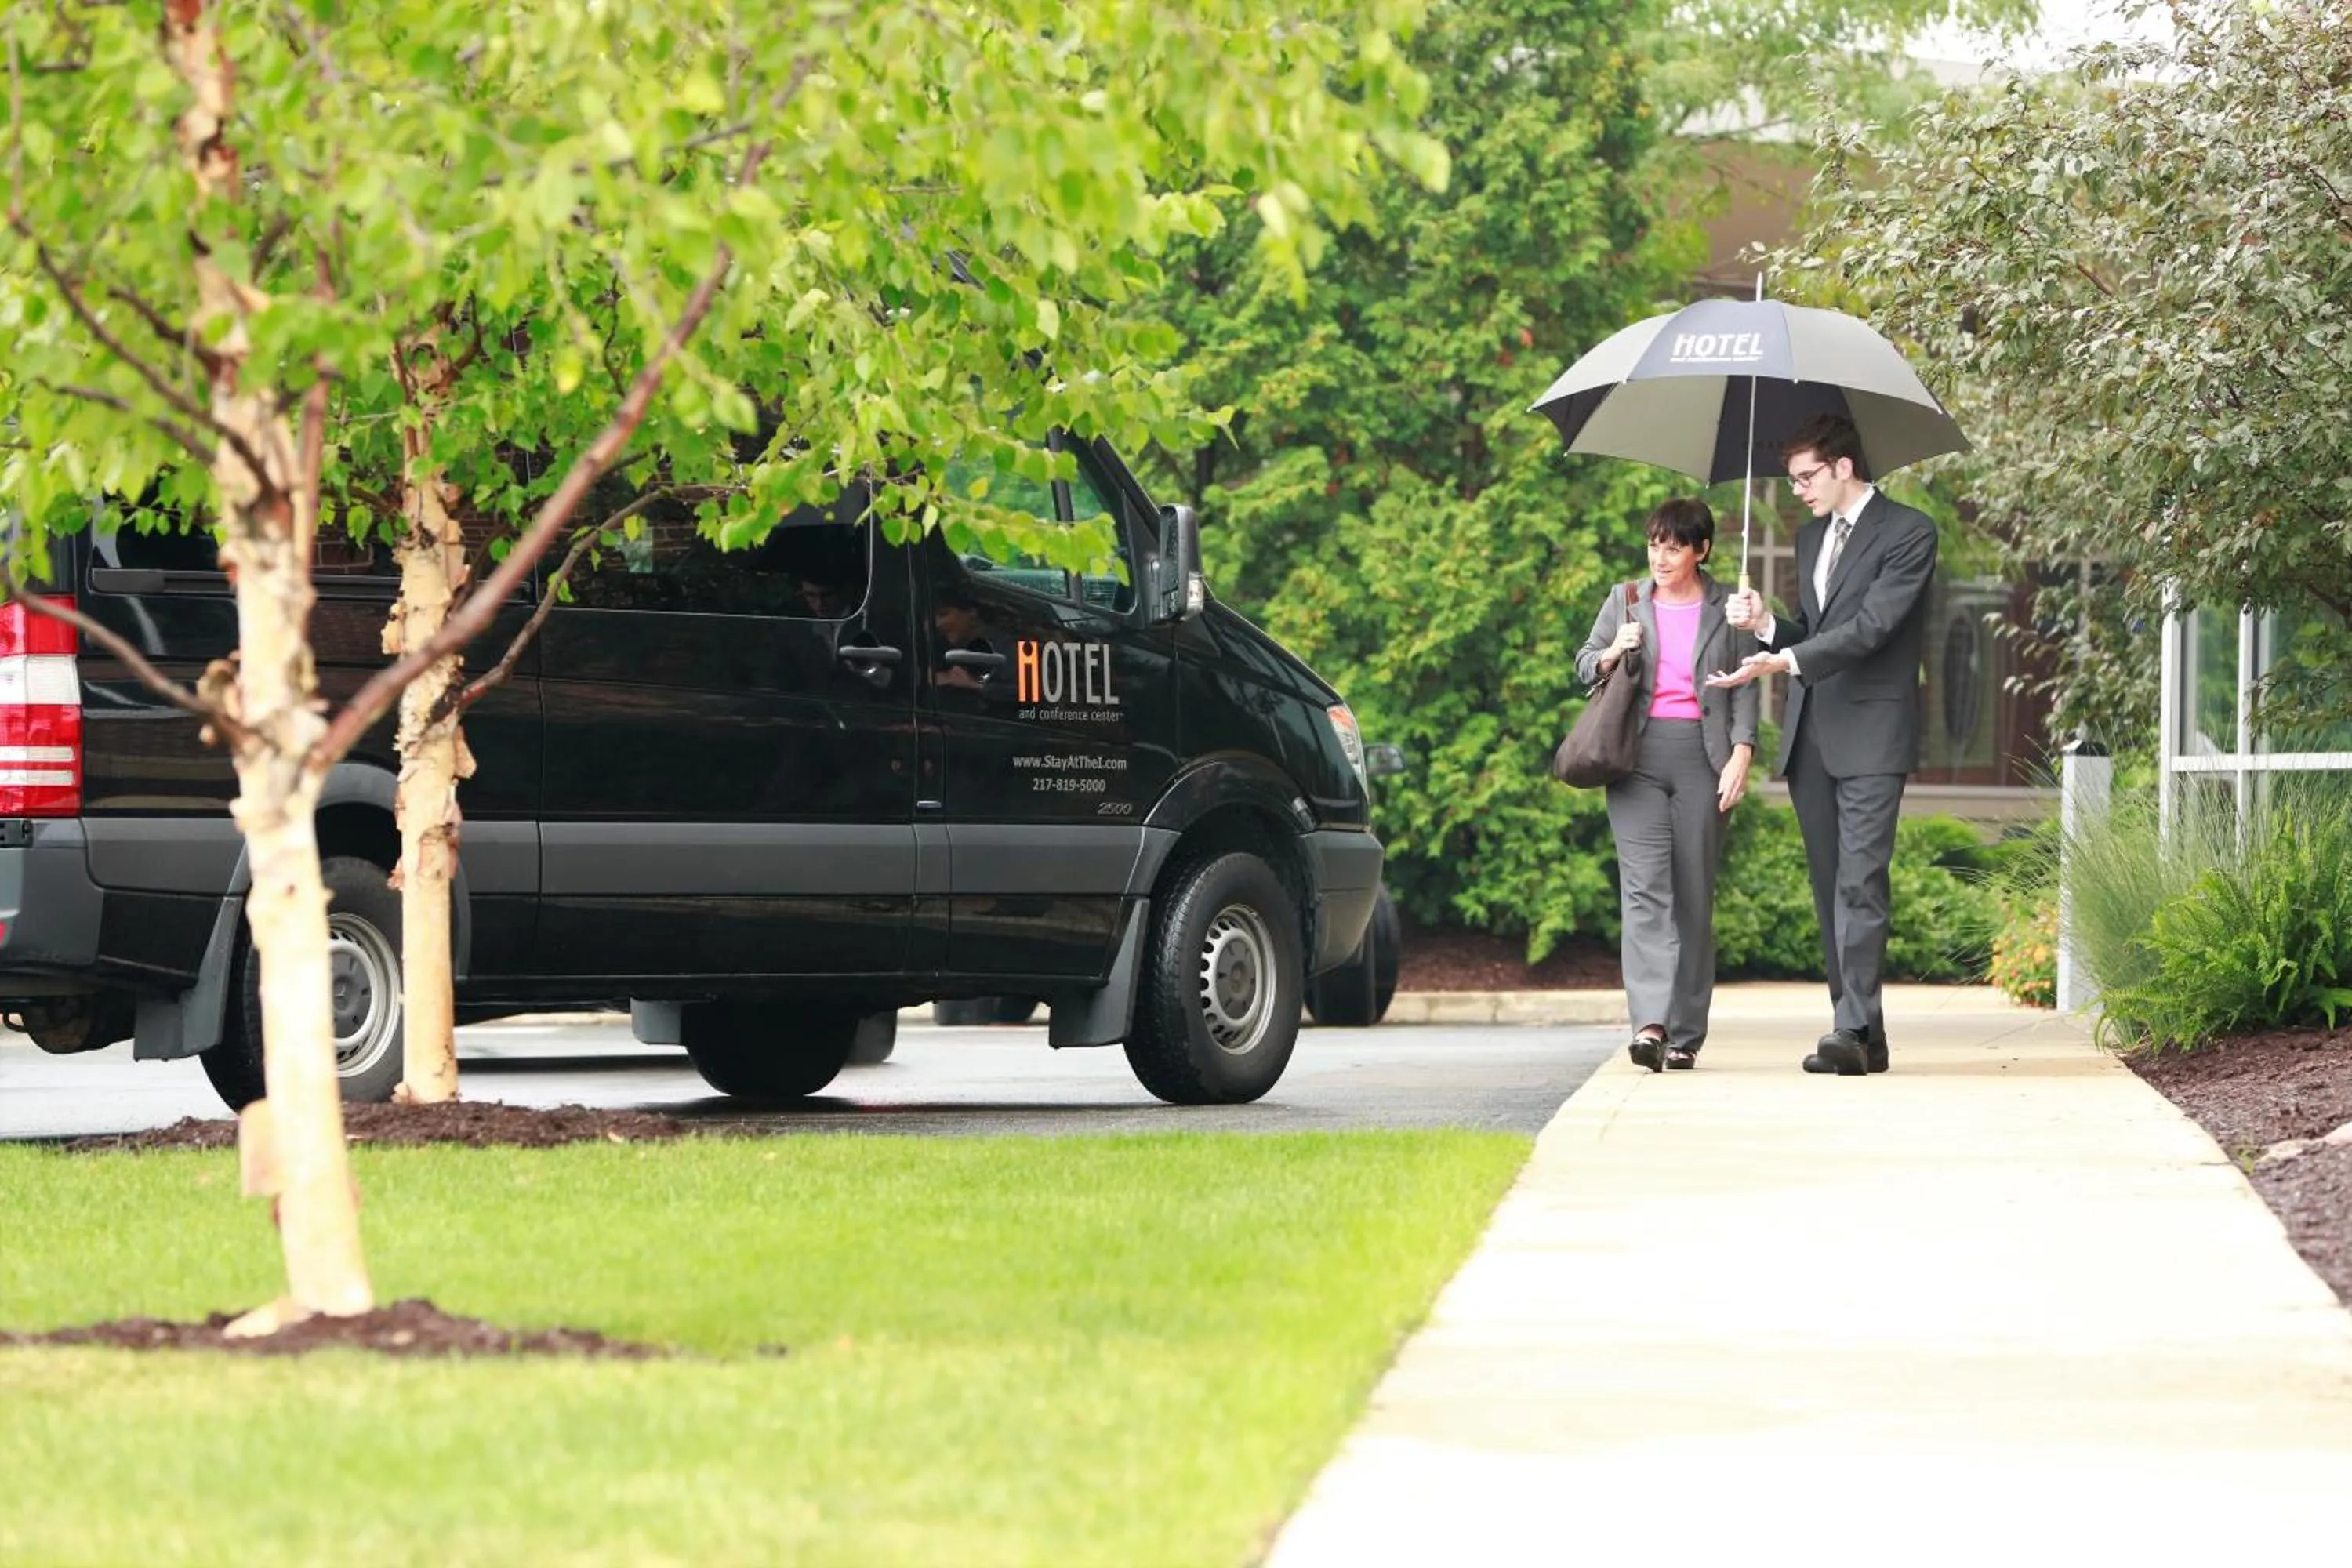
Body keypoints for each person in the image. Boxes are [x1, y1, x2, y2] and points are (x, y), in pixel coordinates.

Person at [1709, 413, 1940, 1076]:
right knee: (1829, 886)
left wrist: (1784, 662)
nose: (1798, 491)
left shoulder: (1910, 533)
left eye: (1807, 477)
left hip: (1873, 734)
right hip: (1813, 736)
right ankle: (1865, 1031)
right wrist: (1766, 626)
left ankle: (1849, 1028)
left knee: (1861, 884)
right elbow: (1812, 628)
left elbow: (1871, 628)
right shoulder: (1810, 539)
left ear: (1844, 467)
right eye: (1791, 480)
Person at [1574, 498, 1760, 1072]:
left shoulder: (1729, 607)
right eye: (1655, 543)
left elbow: (1749, 684)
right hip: (1635, 758)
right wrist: (1612, 651)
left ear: (1701, 550)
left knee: (1692, 895)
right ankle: (1650, 1024)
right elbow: (1582, 665)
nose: (1661, 555)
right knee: (1644, 890)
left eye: (1674, 545)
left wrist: (1742, 754)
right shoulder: (1625, 600)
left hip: (1704, 759)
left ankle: (1685, 1033)